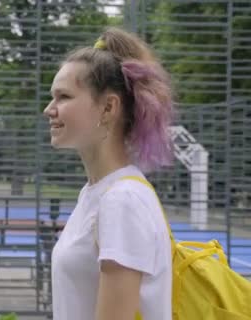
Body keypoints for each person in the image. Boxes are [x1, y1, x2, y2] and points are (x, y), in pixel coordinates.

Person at [45, 27, 174, 320]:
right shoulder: (98, 193)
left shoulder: (122, 201)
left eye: (63, 97)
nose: (49, 109)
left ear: (108, 107)